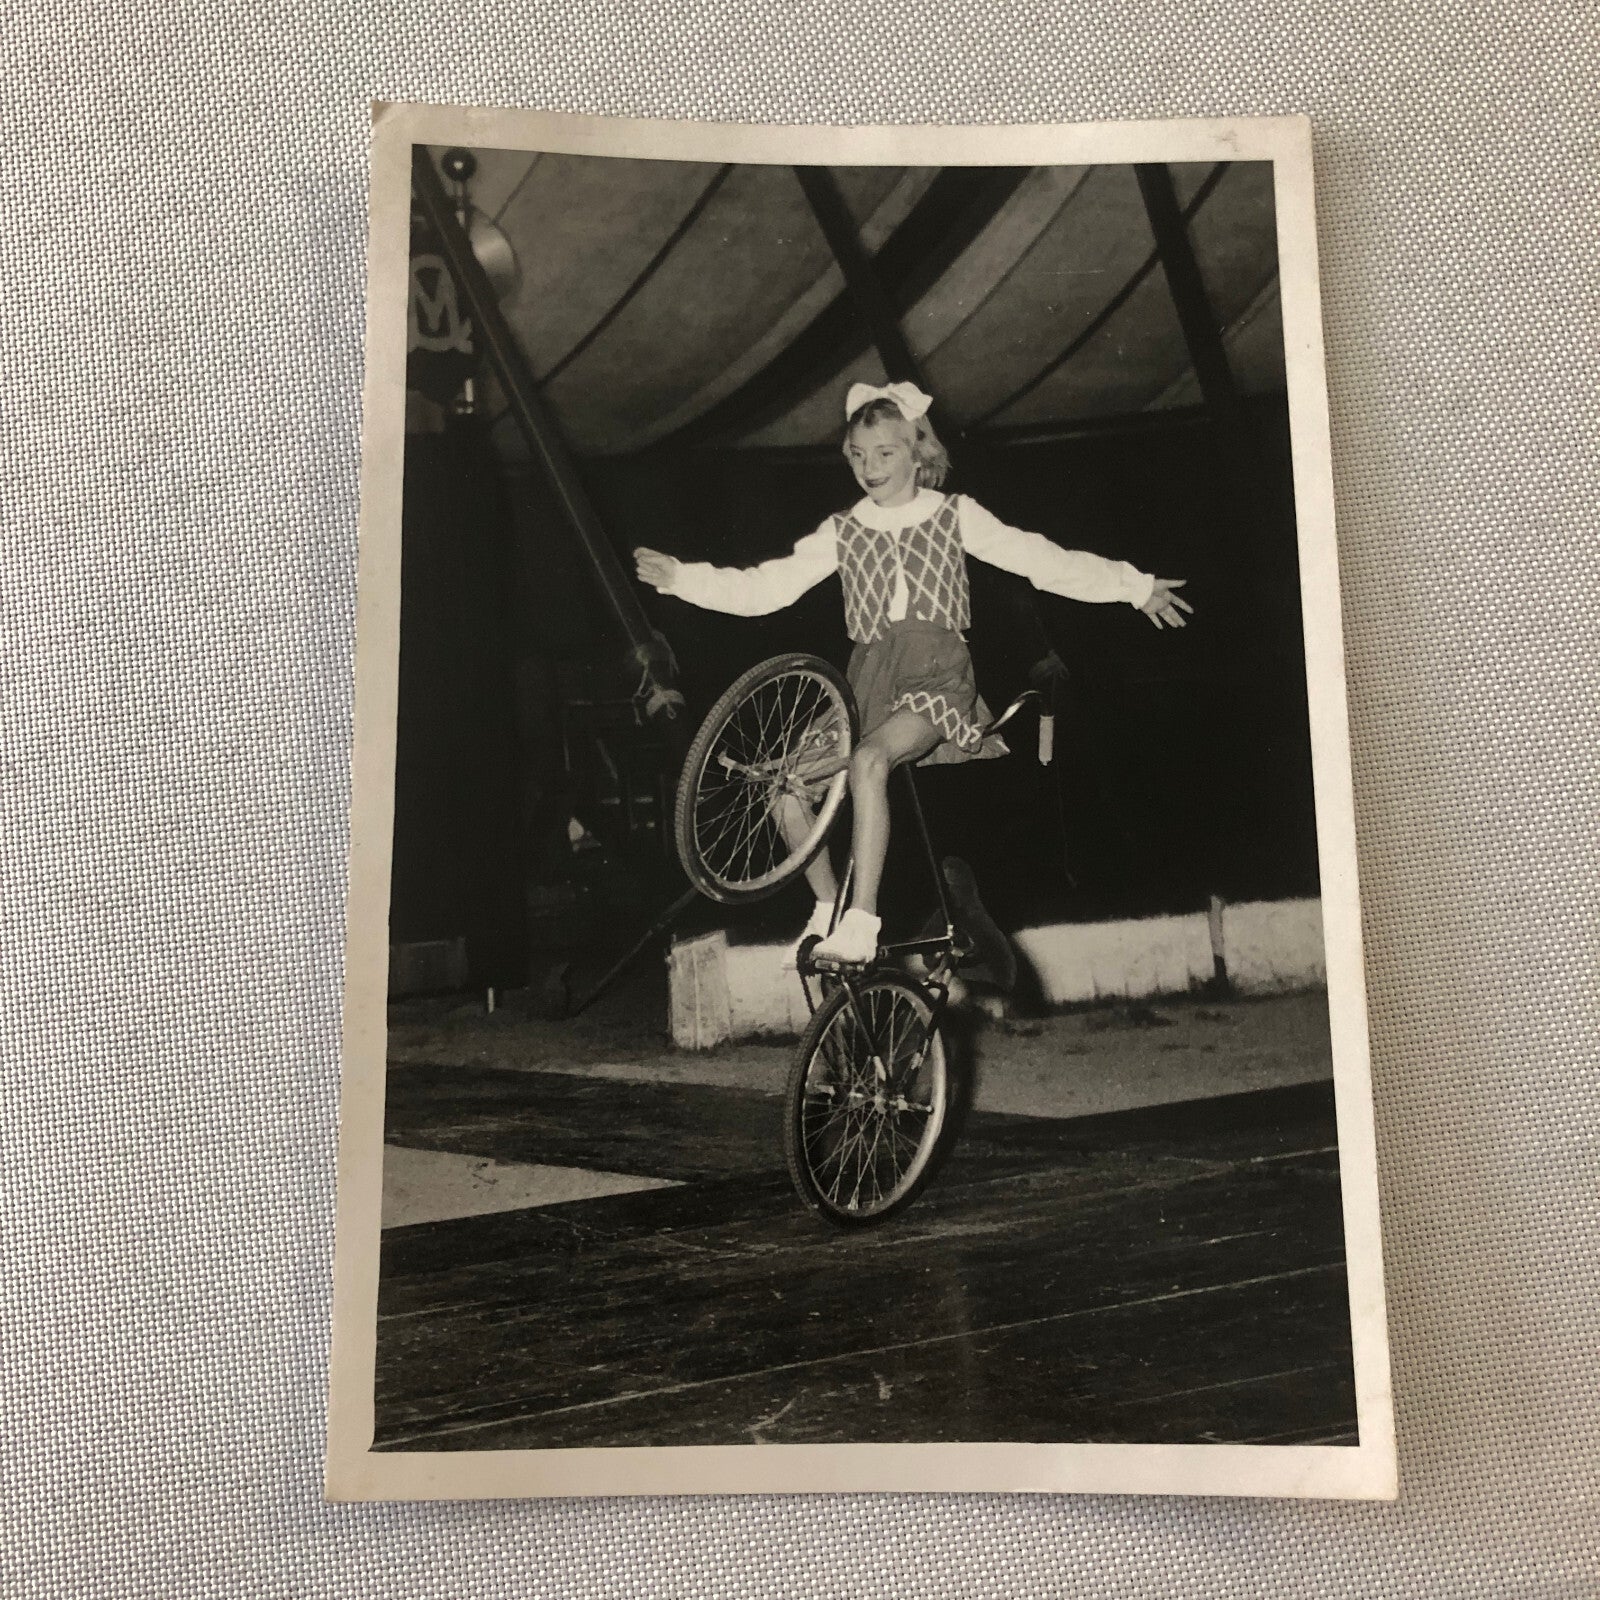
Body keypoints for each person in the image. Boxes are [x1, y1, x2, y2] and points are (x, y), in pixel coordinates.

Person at [634, 381, 1192, 964]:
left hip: (936, 675)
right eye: (858, 454)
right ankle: (826, 908)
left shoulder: (954, 515)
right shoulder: (843, 530)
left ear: (918, 450)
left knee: (870, 761)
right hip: (865, 682)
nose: (869, 468)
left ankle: (863, 920)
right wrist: (683, 578)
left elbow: (1043, 560)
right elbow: (764, 588)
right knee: (786, 790)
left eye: (885, 453)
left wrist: (1136, 587)